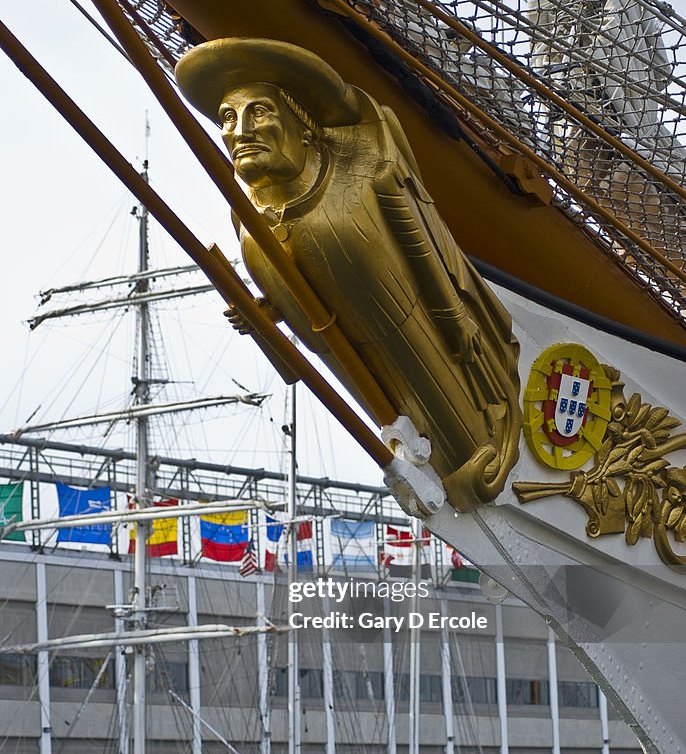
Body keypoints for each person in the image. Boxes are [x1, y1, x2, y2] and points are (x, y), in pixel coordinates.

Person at [175, 39, 521, 512]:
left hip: (418, 332)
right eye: (228, 119)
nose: (239, 131)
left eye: (258, 113)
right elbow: (297, 297)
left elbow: (420, 242)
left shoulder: (363, 171)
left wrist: (451, 313)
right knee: (423, 443)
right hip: (356, 363)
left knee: (469, 445)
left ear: (301, 125)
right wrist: (264, 315)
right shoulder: (250, 220)